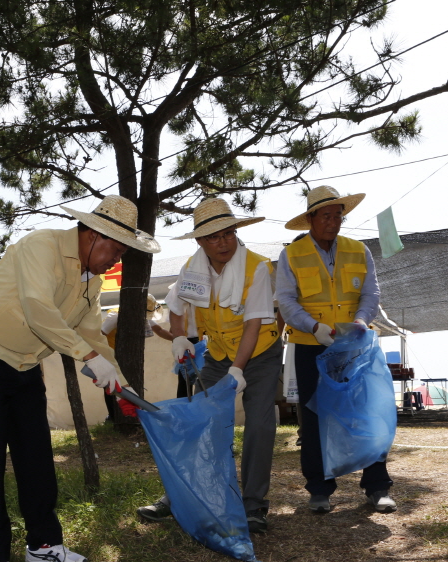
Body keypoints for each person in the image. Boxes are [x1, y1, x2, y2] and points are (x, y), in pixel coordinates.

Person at [0, 195, 160, 562]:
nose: (116, 261)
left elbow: (90, 335)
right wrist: (85, 355)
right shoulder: (42, 245)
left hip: (26, 363)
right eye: (115, 250)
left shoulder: (93, 282)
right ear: (92, 234)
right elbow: (37, 308)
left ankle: (44, 544)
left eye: (122, 253)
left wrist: (123, 384)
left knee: (36, 456)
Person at [137, 198, 282, 534]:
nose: (223, 243)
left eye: (229, 233)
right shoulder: (193, 267)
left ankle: (253, 506)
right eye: (214, 237)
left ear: (236, 233)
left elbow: (253, 325)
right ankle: (179, 498)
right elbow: (176, 306)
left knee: (259, 426)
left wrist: (239, 369)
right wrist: (178, 338)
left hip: (259, 353)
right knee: (200, 422)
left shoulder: (257, 267)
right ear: (200, 241)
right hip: (218, 353)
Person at [276, 185, 396, 514]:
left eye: (338, 215)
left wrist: (359, 321)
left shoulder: (359, 251)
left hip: (354, 344)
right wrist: (313, 327)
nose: (333, 221)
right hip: (309, 346)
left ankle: (377, 486)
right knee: (313, 418)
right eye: (326, 216)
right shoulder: (291, 255)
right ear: (310, 219)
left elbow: (370, 294)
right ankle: (319, 489)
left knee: (367, 413)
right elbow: (286, 301)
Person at [100, 294, 168, 421]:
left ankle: (131, 416)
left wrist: (180, 339)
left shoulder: (141, 316)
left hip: (127, 358)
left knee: (128, 385)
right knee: (111, 387)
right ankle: (113, 417)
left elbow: (160, 330)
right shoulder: (115, 317)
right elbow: (99, 335)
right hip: (109, 355)